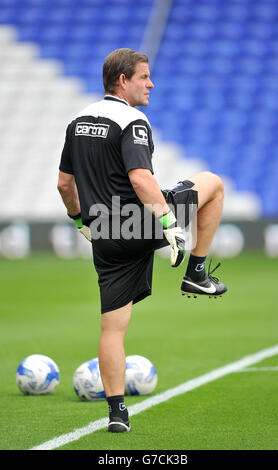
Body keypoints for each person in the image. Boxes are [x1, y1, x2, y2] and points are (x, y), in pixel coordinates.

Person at [57, 48, 227, 433]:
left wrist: (81, 221)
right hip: (141, 223)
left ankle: (117, 414)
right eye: (144, 77)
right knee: (213, 183)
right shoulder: (133, 120)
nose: (151, 84)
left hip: (104, 233)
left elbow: (64, 184)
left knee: (112, 329)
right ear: (123, 81)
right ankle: (197, 272)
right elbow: (139, 178)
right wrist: (169, 222)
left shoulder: (77, 121)